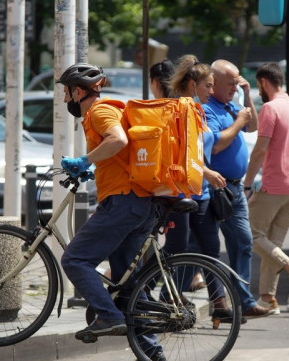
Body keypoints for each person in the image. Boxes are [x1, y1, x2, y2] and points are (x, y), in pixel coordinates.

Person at [57, 63, 164, 360]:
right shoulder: (105, 111)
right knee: (128, 285)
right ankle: (152, 352)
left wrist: (85, 160)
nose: (65, 99)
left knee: (75, 259)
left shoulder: (100, 111)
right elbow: (118, 152)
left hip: (123, 203)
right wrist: (96, 166)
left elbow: (118, 139)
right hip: (138, 203)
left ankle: (108, 316)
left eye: (66, 92)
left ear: (79, 92)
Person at [165, 56, 237, 318]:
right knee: (176, 248)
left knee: (210, 247)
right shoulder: (180, 109)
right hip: (180, 191)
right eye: (208, 85)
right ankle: (152, 292)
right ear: (192, 85)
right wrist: (206, 171)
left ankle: (219, 304)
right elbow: (180, 152)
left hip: (202, 192)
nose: (212, 90)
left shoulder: (199, 110)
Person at [243, 62, 289, 314]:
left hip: (274, 186)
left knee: (251, 235)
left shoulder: (270, 108)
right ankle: (268, 298)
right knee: (272, 243)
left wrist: (247, 184)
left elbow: (260, 150)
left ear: (263, 82)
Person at [203, 59, 272, 318]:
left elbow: (252, 126)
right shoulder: (207, 108)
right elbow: (216, 145)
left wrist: (246, 95)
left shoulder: (232, 106)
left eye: (236, 83)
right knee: (202, 246)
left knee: (243, 242)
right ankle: (176, 296)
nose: (234, 87)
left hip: (234, 188)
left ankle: (244, 300)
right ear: (214, 84)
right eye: (230, 84)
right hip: (215, 188)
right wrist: (238, 121)